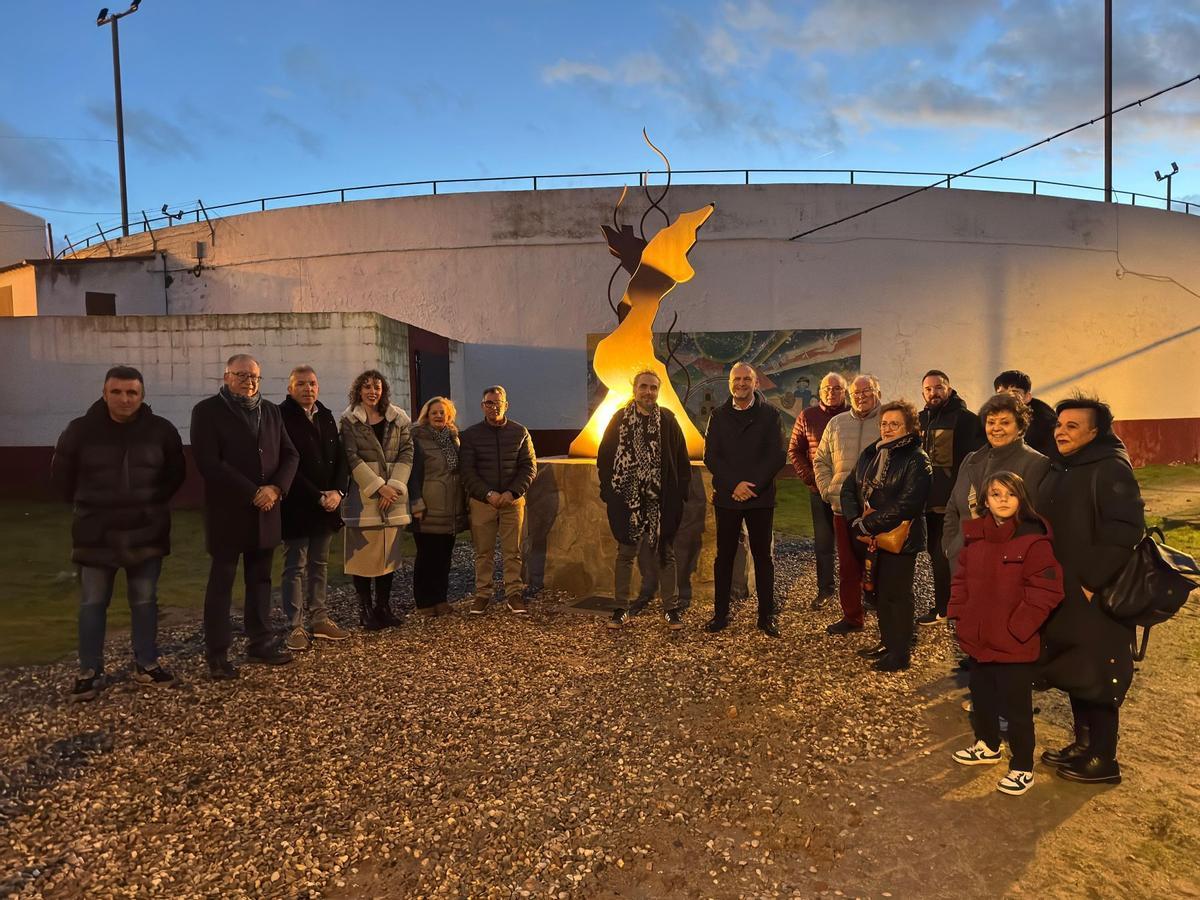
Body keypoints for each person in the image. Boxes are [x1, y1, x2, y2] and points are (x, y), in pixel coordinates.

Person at [51, 365, 186, 701]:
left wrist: (149, 505)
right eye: (117, 392)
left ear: (142, 395)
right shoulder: (79, 431)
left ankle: (147, 664)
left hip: (146, 533)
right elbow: (61, 479)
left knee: (144, 602)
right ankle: (90, 671)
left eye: (132, 393)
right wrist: (91, 508)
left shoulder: (161, 431)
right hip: (96, 535)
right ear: (104, 392)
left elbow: (175, 474)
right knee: (93, 604)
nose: (124, 399)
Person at [1038, 395, 1145, 785]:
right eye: (1059, 425)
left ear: (1095, 432)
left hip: (1093, 596)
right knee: (1076, 668)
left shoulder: (1111, 468)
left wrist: (1089, 583)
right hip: (1063, 588)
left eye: (1072, 426)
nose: (1061, 432)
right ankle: (1083, 745)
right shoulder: (1064, 465)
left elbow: (1125, 531)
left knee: (1100, 674)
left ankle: (1104, 759)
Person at [947, 472, 1064, 795]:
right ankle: (987, 745)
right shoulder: (976, 540)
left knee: (1017, 708)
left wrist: (1019, 628)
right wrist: (960, 616)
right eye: (995, 494)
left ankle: (1023, 765)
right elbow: (961, 581)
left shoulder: (1033, 541)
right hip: (979, 640)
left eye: (1010, 494)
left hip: (1014, 644)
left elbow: (1046, 591)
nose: (1002, 500)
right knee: (982, 697)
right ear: (985, 500)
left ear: (1021, 500)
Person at [192, 354, 299, 678]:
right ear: (226, 377)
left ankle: (260, 642)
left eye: (254, 376)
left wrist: (276, 489)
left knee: (260, 581)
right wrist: (253, 491)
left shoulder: (270, 412)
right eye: (241, 375)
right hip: (229, 512)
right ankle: (218, 653)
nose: (248, 382)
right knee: (221, 584)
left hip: (266, 512)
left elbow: (290, 454)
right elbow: (209, 462)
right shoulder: (207, 412)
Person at [597, 370, 692, 631]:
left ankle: (670, 609)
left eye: (653, 387)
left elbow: (682, 460)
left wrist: (681, 494)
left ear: (657, 391)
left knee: (665, 554)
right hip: (628, 503)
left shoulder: (668, 421)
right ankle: (621, 608)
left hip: (660, 501)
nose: (648, 392)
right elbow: (605, 458)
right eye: (643, 387)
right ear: (634, 389)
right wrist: (609, 492)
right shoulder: (619, 420)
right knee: (626, 553)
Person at [841, 400, 932, 671]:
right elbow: (849, 488)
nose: (888, 428)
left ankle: (900, 652)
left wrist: (869, 526)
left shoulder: (917, 459)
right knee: (878, 592)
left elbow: (908, 504)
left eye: (895, 424)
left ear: (908, 427)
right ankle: (887, 641)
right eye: (884, 423)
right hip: (870, 536)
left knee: (897, 594)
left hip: (900, 539)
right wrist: (855, 521)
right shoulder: (872, 452)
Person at [702, 362, 787, 637]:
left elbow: (776, 456)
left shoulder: (771, 415)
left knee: (763, 558)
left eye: (746, 379)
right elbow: (711, 456)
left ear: (755, 383)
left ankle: (765, 617)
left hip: (759, 497)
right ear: (729, 383)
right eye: (736, 379)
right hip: (728, 497)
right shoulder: (718, 416)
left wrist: (752, 486)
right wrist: (733, 485)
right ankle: (720, 615)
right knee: (724, 558)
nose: (740, 384)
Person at [278, 365, 351, 652]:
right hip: (298, 505)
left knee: (319, 564)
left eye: (312, 384)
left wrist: (339, 491)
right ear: (290, 388)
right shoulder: (280, 417)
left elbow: (340, 458)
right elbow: (286, 462)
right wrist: (316, 496)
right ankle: (294, 624)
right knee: (295, 565)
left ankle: (319, 618)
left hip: (328, 505)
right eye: (301, 384)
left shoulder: (327, 416)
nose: (308, 389)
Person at [942, 393, 1051, 573]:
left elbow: (1030, 520)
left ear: (1020, 426)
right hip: (962, 563)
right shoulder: (970, 459)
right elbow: (952, 508)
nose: (996, 428)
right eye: (991, 422)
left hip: (1004, 569)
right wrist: (950, 547)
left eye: (1005, 422)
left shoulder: (1036, 463)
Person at [339, 369, 414, 630]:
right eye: (367, 387)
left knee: (387, 556)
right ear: (359, 390)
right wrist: (378, 487)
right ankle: (365, 610)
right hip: (365, 498)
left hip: (392, 498)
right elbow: (350, 457)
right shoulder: (349, 420)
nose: (373, 391)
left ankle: (383, 607)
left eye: (378, 387)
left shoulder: (398, 419)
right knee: (362, 558)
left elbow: (407, 452)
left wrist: (393, 487)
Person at [814, 374, 883, 635]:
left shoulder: (887, 421)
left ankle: (886, 618)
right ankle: (852, 617)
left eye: (867, 392)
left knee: (882, 566)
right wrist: (828, 490)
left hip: (876, 512)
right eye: (856, 393)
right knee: (849, 566)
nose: (861, 397)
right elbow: (821, 460)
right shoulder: (837, 423)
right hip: (842, 509)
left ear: (878, 392)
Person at [460, 385, 537, 614]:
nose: (494, 407)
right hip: (483, 502)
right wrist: (488, 494)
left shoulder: (520, 432)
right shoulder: (471, 435)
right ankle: (483, 594)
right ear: (483, 406)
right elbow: (467, 470)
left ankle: (514, 593)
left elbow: (529, 467)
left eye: (498, 402)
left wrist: (512, 493)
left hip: (512, 502)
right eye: (489, 403)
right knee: (483, 552)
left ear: (506, 405)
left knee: (512, 551)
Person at [917, 370, 985, 625]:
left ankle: (956, 608)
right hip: (928, 504)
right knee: (937, 555)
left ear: (949, 388)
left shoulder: (967, 420)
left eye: (938, 387)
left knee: (954, 555)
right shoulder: (921, 420)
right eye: (928, 389)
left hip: (954, 503)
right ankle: (944, 607)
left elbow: (975, 462)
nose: (933, 392)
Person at [787, 371, 849, 609]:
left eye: (836, 389)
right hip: (819, 490)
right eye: (826, 389)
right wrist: (812, 479)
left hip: (849, 492)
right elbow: (795, 451)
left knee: (854, 542)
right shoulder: (807, 416)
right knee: (823, 544)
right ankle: (825, 589)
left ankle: (859, 589)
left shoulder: (854, 416)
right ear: (819, 392)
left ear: (844, 392)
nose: (831, 393)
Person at [408, 396, 467, 616]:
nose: (439, 416)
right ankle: (424, 602)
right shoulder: (417, 439)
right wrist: (415, 502)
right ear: (426, 415)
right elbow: (411, 474)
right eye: (434, 412)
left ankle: (440, 599)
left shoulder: (454, 439)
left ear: (449, 415)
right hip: (427, 506)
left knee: (444, 556)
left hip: (450, 507)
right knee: (426, 556)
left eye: (443, 412)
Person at [994, 370, 1057, 457]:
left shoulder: (1042, 419)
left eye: (1015, 392)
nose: (1007, 398)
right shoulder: (993, 415)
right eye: (1001, 394)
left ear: (1027, 397)